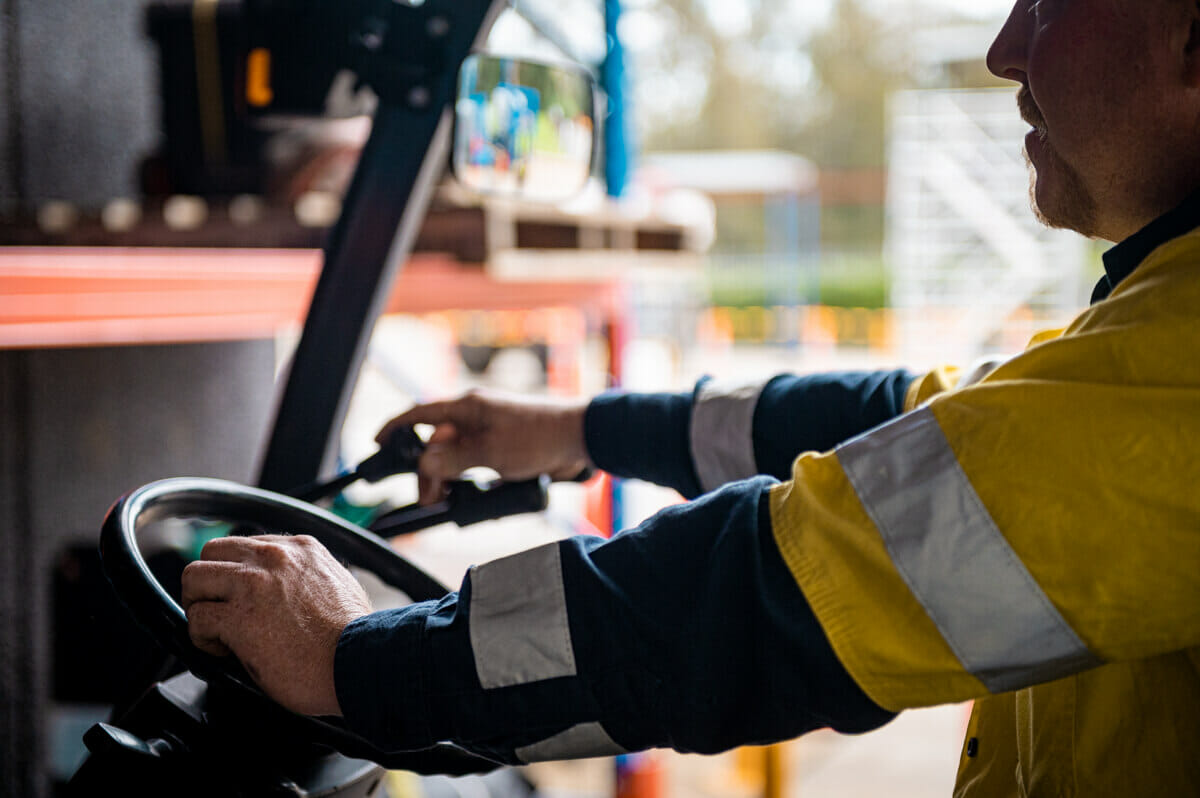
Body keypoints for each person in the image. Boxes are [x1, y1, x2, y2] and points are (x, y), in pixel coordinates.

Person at [180, 1, 1200, 794]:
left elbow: (785, 587)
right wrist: (578, 429)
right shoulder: (1157, 320)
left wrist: (366, 665)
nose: (1005, 48)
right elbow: (921, 424)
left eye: (1053, 3)